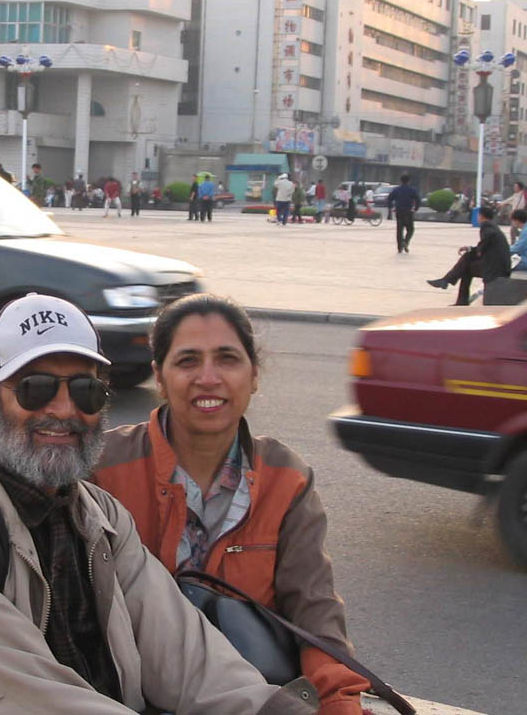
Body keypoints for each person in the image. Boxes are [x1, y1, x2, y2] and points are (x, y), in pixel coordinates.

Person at [0, 293, 319, 715]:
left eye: (84, 390)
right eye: (35, 388)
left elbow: (185, 653)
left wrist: (270, 710)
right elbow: (23, 695)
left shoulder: (100, 516)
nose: (63, 409)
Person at [93, 294, 368, 715]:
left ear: (254, 374)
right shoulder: (104, 468)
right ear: (160, 378)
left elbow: (314, 610)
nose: (208, 378)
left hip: (250, 696)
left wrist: (339, 704)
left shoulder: (286, 478)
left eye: (227, 358)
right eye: (187, 361)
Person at [427, 205, 511, 305]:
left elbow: (488, 238)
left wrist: (477, 249)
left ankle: (448, 283)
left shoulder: (487, 226)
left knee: (466, 265)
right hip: (498, 266)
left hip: (494, 268)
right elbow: (487, 244)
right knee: (466, 264)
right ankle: (451, 288)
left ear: (481, 216)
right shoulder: (493, 226)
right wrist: (472, 249)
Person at [386, 175, 420, 253]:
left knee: (399, 230)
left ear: (400, 181)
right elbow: (418, 199)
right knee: (410, 229)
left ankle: (399, 247)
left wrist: (390, 207)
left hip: (399, 212)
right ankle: (405, 241)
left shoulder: (397, 190)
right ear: (409, 181)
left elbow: (389, 198)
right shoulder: (412, 190)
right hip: (408, 212)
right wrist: (416, 208)